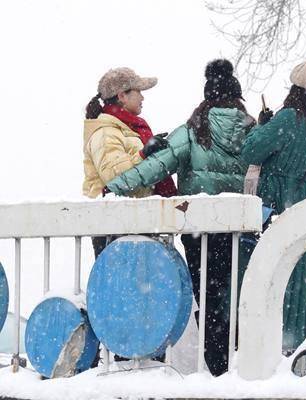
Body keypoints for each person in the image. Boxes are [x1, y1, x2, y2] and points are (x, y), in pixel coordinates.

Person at [106, 59, 254, 376]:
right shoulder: (252, 131)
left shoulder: (193, 130)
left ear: (207, 95)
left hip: (200, 231)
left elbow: (156, 166)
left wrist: (117, 185)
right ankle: (241, 359)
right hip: (240, 230)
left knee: (209, 297)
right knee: (240, 294)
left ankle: (217, 366)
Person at [240, 60, 306, 353]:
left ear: (296, 91)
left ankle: (274, 353)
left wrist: (264, 125)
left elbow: (251, 150)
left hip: (280, 210)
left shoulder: (288, 119)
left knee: (273, 284)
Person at [83, 67, 177, 257]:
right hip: (116, 226)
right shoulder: (105, 131)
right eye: (138, 92)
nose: (143, 97)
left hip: (131, 222)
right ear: (122, 96)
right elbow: (115, 177)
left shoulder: (125, 128)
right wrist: (144, 154)